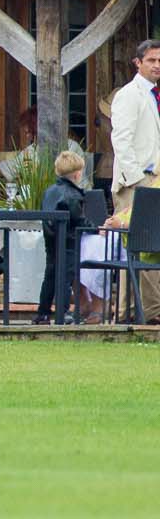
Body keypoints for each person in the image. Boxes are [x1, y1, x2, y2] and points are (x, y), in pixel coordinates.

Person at [108, 40, 160, 320]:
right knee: (135, 245)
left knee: (152, 245)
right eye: (151, 60)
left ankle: (150, 311)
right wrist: (138, 181)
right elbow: (121, 140)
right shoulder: (130, 94)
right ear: (138, 63)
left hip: (155, 182)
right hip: (136, 183)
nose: (157, 66)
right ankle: (129, 312)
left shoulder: (153, 95)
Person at [36, 149, 87, 325]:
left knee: (50, 276)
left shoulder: (50, 191)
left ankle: (42, 313)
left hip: (51, 240)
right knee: (65, 278)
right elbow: (78, 219)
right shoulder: (72, 194)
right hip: (68, 241)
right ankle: (63, 312)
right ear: (77, 173)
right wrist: (96, 228)